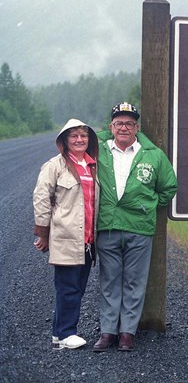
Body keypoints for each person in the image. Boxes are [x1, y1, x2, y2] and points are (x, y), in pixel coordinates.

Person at [92, 102, 177, 352]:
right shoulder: (100, 149)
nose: (124, 127)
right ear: (111, 127)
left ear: (137, 127)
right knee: (109, 281)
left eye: (129, 123)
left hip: (139, 228)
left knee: (134, 282)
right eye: (119, 123)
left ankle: (127, 332)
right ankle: (107, 332)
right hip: (107, 226)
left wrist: (149, 206)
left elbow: (169, 187)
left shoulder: (153, 155)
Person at [33, 119, 99, 350]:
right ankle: (66, 334)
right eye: (74, 136)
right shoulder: (55, 165)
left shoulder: (92, 165)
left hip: (89, 238)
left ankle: (57, 333)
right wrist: (43, 234)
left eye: (84, 136)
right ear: (64, 141)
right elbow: (41, 199)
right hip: (66, 236)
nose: (80, 140)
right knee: (68, 287)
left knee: (77, 288)